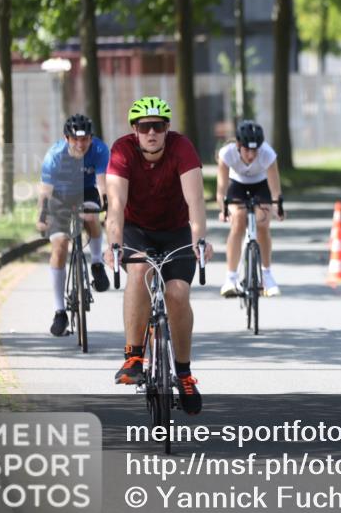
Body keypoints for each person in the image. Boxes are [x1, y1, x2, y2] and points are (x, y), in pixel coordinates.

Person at [103, 96, 214, 415]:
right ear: (134, 131)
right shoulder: (122, 151)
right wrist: (113, 243)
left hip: (176, 230)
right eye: (144, 127)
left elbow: (195, 202)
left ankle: (184, 373)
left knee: (177, 293)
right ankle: (134, 356)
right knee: (139, 271)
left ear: (167, 129)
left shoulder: (182, 148)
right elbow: (116, 205)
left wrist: (199, 239)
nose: (151, 133)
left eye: (159, 127)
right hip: (136, 229)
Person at [36, 114, 110, 337]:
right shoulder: (54, 156)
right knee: (59, 247)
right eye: (75, 139)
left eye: (85, 139)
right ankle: (60, 311)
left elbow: (102, 184)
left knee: (90, 217)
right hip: (60, 195)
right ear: (66, 138)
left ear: (91, 138)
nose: (80, 144)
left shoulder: (99, 150)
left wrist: (107, 207)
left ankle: (96, 263)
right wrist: (42, 215)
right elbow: (45, 191)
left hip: (86, 191)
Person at [216, 120, 285, 298]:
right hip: (237, 185)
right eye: (247, 150)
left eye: (255, 150)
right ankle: (230, 278)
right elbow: (221, 189)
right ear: (238, 145)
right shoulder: (227, 153)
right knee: (238, 220)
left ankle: (267, 275)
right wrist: (223, 209)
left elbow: (275, 188)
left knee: (263, 222)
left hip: (260, 186)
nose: (251, 155)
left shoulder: (268, 154)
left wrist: (277, 206)